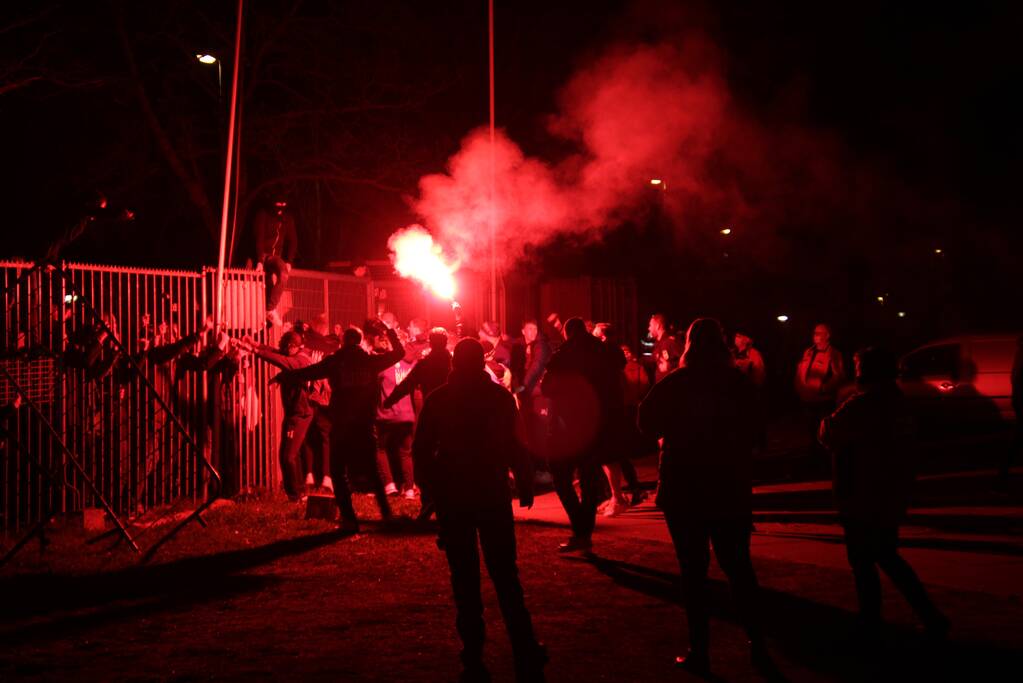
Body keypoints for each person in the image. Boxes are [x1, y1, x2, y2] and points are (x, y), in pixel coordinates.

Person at [638, 318, 770, 674]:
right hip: (728, 487)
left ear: (690, 346)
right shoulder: (738, 384)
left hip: (685, 489)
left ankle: (700, 650)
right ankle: (759, 647)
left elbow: (645, 421)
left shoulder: (676, 383)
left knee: (693, 572)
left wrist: (674, 430)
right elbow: (760, 434)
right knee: (739, 568)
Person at [412, 339, 546, 683]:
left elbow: (422, 448)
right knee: (505, 574)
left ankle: (472, 653)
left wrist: (429, 489)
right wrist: (525, 480)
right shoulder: (499, 398)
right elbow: (518, 443)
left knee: (465, 579)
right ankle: (525, 646)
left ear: (455, 363)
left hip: (454, 496)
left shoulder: (440, 399)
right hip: (490, 492)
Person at [819, 346, 950, 645]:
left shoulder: (863, 404)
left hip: (861, 492)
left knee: (865, 560)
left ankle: (874, 620)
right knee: (886, 555)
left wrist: (835, 413)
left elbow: (829, 433)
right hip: (890, 491)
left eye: (858, 366)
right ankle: (926, 615)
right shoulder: (897, 402)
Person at [276, 321, 404, 532]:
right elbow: (398, 353)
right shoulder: (370, 361)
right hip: (364, 424)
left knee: (337, 470)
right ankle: (387, 514)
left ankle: (349, 518)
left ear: (344, 341)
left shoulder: (336, 361)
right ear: (360, 341)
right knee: (372, 470)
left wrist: (286, 375)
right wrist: (388, 330)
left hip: (343, 424)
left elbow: (310, 372)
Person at [541, 317, 623, 552]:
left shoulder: (564, 354)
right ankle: (583, 531)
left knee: (560, 476)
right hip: (597, 425)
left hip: (567, 427)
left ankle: (580, 527)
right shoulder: (604, 353)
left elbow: (547, 387)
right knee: (589, 480)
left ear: (567, 334)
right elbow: (617, 368)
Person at [238, 331, 313, 501]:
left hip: (299, 414)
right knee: (291, 454)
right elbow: (276, 353)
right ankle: (300, 492)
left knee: (287, 456)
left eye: (286, 347)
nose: (284, 350)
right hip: (295, 413)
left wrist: (254, 351)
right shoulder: (297, 355)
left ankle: (296, 495)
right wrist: (255, 344)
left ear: (292, 346)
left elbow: (282, 360)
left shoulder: (300, 360)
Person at [795, 323, 846, 472]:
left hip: (823, 401)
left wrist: (824, 388)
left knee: (823, 432)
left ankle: (825, 463)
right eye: (814, 333)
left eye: (819, 333)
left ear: (827, 335)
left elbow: (839, 375)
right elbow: (800, 371)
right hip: (808, 400)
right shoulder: (808, 352)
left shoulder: (834, 354)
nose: (815, 336)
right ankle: (814, 461)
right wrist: (799, 388)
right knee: (811, 431)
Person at [300, 313, 339, 492]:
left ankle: (308, 474)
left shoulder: (305, 345)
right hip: (323, 398)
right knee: (325, 438)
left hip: (305, 396)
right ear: (324, 328)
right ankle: (326, 477)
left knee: (307, 436)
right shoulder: (329, 347)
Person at [375, 333, 416, 500]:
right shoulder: (411, 364)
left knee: (380, 449)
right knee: (405, 452)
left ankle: (389, 484)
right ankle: (409, 489)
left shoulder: (385, 364)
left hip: (387, 415)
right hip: (407, 415)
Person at [254, 198, 298, 327]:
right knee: (280, 274)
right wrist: (259, 261)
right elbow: (259, 238)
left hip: (276, 257)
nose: (281, 207)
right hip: (265, 255)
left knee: (278, 277)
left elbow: (293, 240)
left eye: (284, 204)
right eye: (278, 204)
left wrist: (289, 261)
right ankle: (270, 310)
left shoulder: (287, 218)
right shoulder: (264, 214)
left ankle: (269, 310)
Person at [514, 320, 552, 460]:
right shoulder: (523, 345)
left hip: (538, 392)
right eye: (529, 329)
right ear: (523, 331)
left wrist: (521, 388)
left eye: (535, 329)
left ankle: (542, 465)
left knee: (539, 429)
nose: (533, 332)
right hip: (530, 393)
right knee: (530, 428)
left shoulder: (540, 345)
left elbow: (536, 367)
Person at [648, 314, 682, 384]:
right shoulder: (658, 344)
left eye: (650, 325)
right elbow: (651, 360)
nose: (649, 328)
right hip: (661, 388)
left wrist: (671, 366)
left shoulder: (670, 342)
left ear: (657, 326)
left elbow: (687, 361)